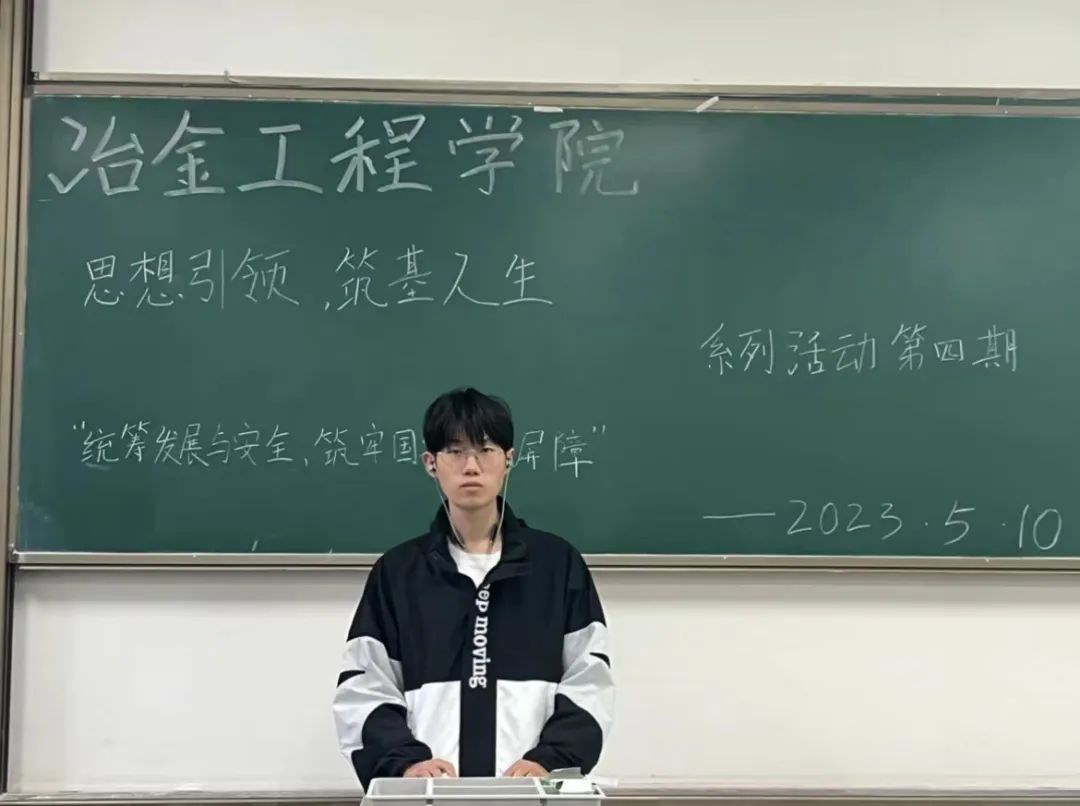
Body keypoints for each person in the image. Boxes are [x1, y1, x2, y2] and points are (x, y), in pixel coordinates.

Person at [332, 388, 613, 788]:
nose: (471, 466)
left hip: (532, 794)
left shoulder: (557, 565)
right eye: (455, 451)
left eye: (485, 450)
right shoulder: (398, 574)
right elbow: (364, 685)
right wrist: (406, 763)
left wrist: (549, 760)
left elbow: (590, 678)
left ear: (509, 459)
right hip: (429, 795)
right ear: (431, 463)